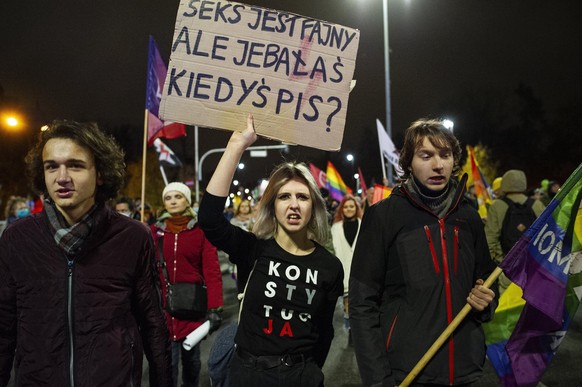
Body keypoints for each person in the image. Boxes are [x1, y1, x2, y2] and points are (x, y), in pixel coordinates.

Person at [0, 120, 172, 386]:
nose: (62, 177)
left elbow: (153, 323)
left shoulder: (133, 237)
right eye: (51, 166)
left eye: (76, 165)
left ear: (100, 173)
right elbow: (4, 326)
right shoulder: (17, 238)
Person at [349, 118, 498, 387]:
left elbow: (487, 278)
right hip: (407, 373)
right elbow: (362, 304)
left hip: (468, 371)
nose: (438, 165)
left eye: (445, 155)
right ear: (408, 163)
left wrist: (487, 299)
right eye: (426, 155)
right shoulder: (383, 216)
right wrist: (377, 380)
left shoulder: (469, 216)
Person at [198, 114, 343, 387]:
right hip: (247, 374)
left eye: (302, 197)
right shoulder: (252, 249)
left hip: (301, 377)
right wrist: (235, 146)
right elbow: (208, 219)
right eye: (284, 196)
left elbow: (324, 331)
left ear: (313, 207)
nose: (294, 205)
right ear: (272, 206)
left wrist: (309, 372)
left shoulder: (329, 266)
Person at [152, 182, 224, 387]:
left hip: (192, 308)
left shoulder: (201, 231)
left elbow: (212, 271)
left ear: (187, 200)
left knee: (192, 362)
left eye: (178, 197)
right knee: (167, 366)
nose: (173, 201)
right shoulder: (154, 232)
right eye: (168, 198)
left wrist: (215, 307)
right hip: (163, 310)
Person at [484, 169, 545, 294]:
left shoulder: (497, 206)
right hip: (534, 270)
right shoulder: (537, 205)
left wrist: (496, 264)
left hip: (507, 270)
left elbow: (490, 239)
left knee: (508, 310)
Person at [330, 194, 362, 346]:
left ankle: (357, 330)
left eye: (352, 206)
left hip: (360, 274)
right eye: (346, 206)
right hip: (343, 273)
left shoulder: (364, 224)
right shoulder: (335, 228)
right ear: (341, 209)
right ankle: (349, 330)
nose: (349, 209)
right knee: (347, 304)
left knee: (360, 303)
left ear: (356, 208)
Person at [229, 199, 254, 293]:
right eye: (242, 206)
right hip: (238, 252)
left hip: (252, 252)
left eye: (246, 206)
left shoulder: (254, 219)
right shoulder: (233, 221)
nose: (244, 208)